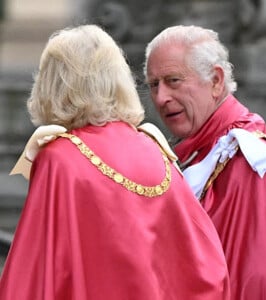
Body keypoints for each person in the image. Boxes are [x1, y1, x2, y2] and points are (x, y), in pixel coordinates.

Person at [0, 25, 231, 299]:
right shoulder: (154, 149)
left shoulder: (59, 157)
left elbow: (34, 272)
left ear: (54, 84)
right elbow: (206, 268)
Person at [143, 25, 266, 300]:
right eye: (154, 84)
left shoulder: (252, 162)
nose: (161, 97)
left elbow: (265, 282)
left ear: (216, 80)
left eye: (173, 80)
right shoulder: (201, 152)